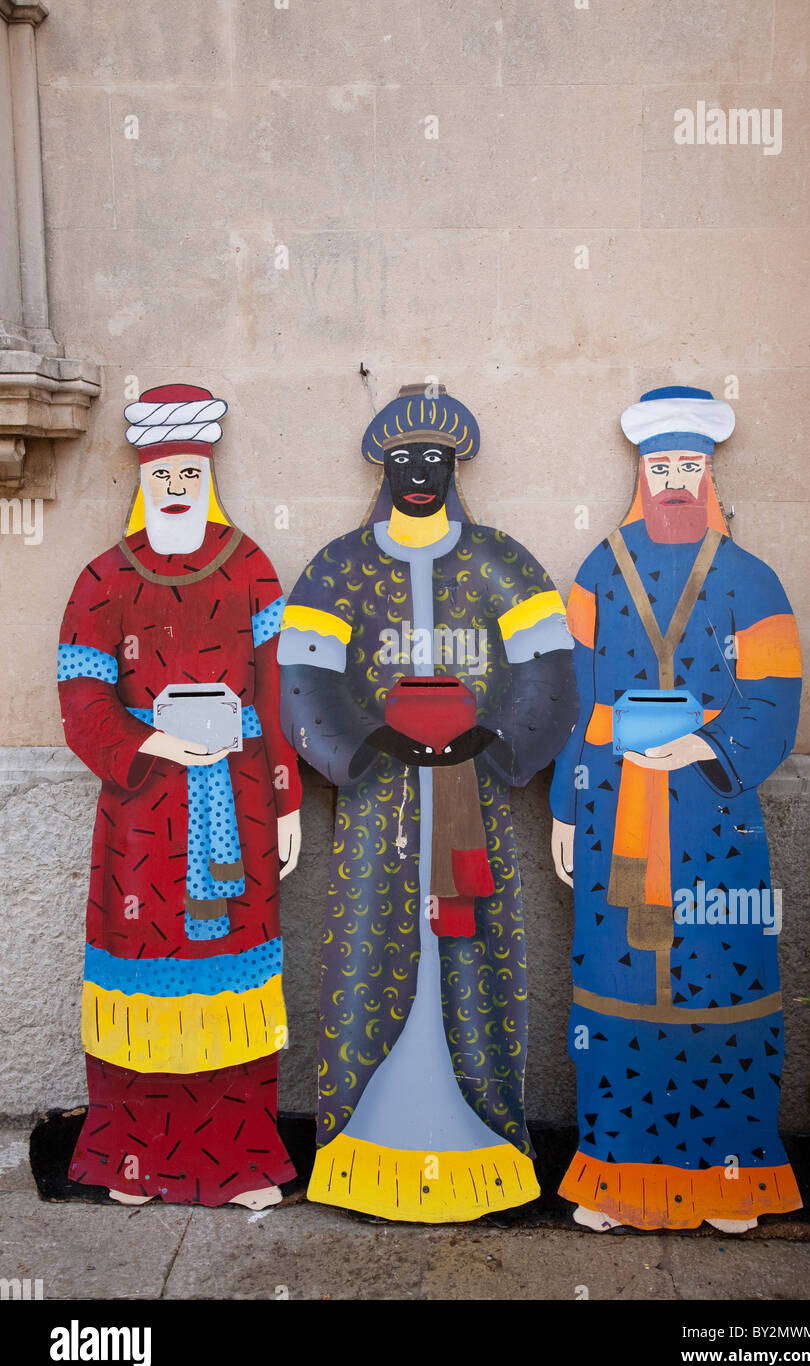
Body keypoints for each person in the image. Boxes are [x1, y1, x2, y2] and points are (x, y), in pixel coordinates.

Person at [279, 384, 577, 1222]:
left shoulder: (502, 563)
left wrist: (495, 739)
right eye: (405, 460)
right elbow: (301, 680)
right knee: (371, 948)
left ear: (453, 467)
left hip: (471, 802)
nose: (420, 474)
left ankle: (480, 1145)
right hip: (376, 810)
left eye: (434, 460)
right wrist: (366, 744)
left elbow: (552, 672)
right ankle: (363, 1151)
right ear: (384, 468)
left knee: (474, 955)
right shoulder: (339, 566)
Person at [550, 386, 803, 1233]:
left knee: (722, 984)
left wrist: (702, 746)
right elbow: (573, 698)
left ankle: (732, 1180)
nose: (673, 480)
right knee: (617, 989)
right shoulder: (596, 568)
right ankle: (619, 1176)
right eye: (660, 465)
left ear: (709, 473)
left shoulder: (753, 579)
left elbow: (774, 698)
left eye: (687, 465)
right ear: (641, 472)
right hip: (612, 813)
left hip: (714, 821)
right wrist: (561, 803)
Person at [58, 383, 302, 1208]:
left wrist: (288, 793)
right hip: (143, 815)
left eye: (189, 472)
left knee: (228, 980)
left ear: (208, 473)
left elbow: (280, 688)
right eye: (161, 473)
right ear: (142, 477)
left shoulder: (252, 567)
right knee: (144, 983)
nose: (174, 487)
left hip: (237, 802)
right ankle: (135, 1156)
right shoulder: (101, 579)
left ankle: (237, 1163)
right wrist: (148, 741)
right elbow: (81, 701)